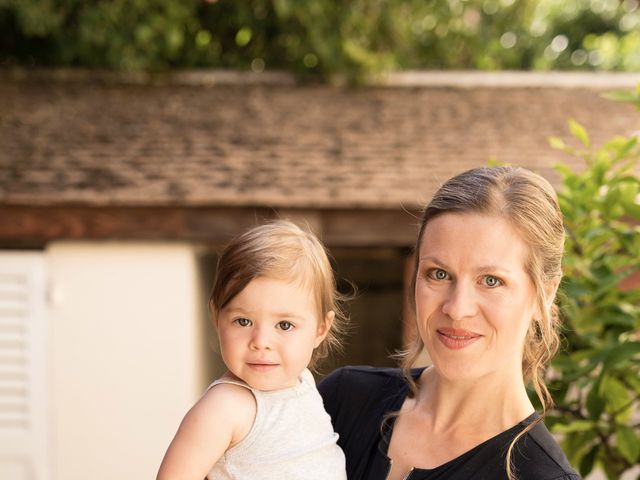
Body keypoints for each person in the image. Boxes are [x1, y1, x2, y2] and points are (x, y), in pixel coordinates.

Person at [319, 166, 581, 480]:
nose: (457, 309)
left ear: (545, 295)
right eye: (439, 274)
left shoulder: (542, 477)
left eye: (491, 280)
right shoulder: (343, 400)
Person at [157, 220, 347, 480]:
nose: (261, 341)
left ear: (320, 329)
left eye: (284, 325)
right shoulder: (224, 408)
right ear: (216, 316)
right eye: (243, 321)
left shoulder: (302, 383)